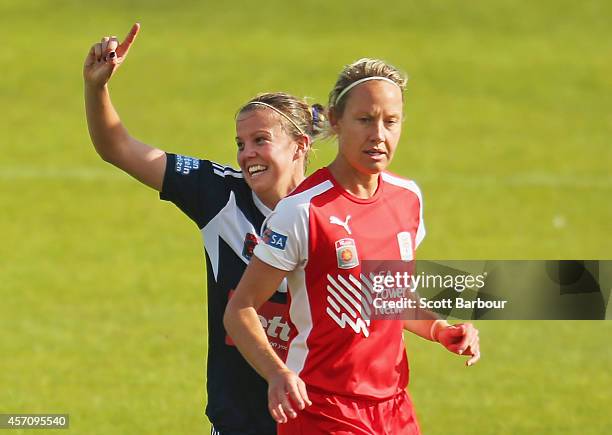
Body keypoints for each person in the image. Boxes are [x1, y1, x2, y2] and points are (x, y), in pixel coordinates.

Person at [83, 23, 326, 435]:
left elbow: (383, 280)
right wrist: (96, 88)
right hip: (238, 424)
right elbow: (117, 148)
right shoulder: (219, 195)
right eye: (240, 143)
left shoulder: (332, 206)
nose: (247, 154)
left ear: (299, 146)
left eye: (260, 141)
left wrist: (451, 318)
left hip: (319, 421)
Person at [224, 58, 481, 434]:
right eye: (365, 120)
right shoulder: (303, 210)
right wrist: (277, 374)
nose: (379, 134)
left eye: (390, 121)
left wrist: (439, 329)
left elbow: (387, 295)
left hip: (395, 408)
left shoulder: (407, 198)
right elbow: (240, 309)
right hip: (322, 410)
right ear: (335, 120)